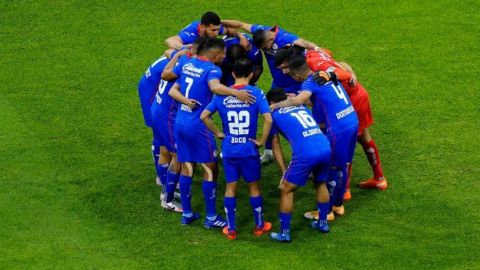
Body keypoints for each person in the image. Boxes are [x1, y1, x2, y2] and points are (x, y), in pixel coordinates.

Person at [168, 37, 255, 228]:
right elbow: (215, 87)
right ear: (216, 54)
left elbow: (173, 91)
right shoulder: (212, 70)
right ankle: (211, 217)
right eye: (223, 54)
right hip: (198, 126)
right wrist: (236, 93)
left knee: (187, 166)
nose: (224, 57)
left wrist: (185, 101)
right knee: (211, 169)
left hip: (180, 122)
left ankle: (188, 213)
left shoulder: (187, 63)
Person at [270, 55, 358, 221]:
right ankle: (338, 205)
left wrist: (277, 105)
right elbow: (318, 98)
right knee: (342, 165)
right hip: (352, 119)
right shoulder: (323, 73)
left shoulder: (308, 83)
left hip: (338, 128)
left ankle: (329, 211)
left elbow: (300, 100)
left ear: (296, 75)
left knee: (332, 168)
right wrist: (295, 97)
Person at [221, 19, 322, 164]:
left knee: (300, 121)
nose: (266, 49)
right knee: (269, 115)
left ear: (271, 39)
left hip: (296, 84)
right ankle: (269, 151)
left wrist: (318, 49)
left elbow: (305, 43)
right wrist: (237, 34)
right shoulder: (262, 31)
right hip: (278, 84)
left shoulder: (285, 38)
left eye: (267, 46)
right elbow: (241, 25)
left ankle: (309, 155)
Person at [200, 58, 272, 240]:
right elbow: (269, 120)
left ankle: (231, 229)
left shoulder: (222, 95)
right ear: (251, 74)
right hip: (249, 148)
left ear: (232, 74)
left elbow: (204, 116)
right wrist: (262, 141)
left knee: (230, 187)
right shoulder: (256, 93)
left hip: (230, 148)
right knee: (254, 187)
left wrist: (218, 133)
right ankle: (259, 226)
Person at [266, 88, 332, 243]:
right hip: (325, 146)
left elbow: (275, 144)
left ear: (271, 103)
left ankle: (284, 233)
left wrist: (284, 172)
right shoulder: (299, 105)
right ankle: (322, 223)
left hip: (306, 153)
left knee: (286, 190)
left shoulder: (273, 115)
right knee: (321, 183)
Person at [165, 11, 250, 51]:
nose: (217, 33)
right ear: (202, 27)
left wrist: (241, 37)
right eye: (213, 30)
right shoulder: (191, 33)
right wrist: (184, 47)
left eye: (217, 30)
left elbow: (229, 30)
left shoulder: (213, 28)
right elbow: (170, 40)